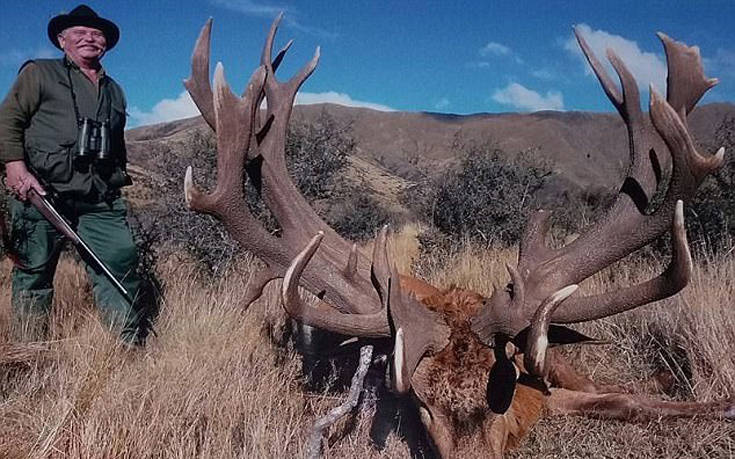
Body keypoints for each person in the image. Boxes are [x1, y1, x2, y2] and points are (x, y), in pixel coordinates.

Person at [0, 4, 146, 344]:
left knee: (120, 264)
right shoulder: (38, 73)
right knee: (34, 274)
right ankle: (29, 349)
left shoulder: (115, 90)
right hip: (40, 193)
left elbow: (118, 142)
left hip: (98, 198)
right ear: (62, 40)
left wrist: (117, 181)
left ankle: (126, 346)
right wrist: (14, 166)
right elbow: (9, 120)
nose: (89, 39)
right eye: (79, 33)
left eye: (97, 34)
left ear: (106, 44)